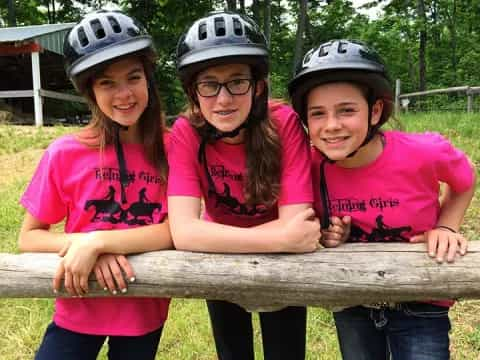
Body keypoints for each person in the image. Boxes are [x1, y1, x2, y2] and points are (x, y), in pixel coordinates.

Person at [288, 39, 476, 360]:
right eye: (318, 114)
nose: (332, 125)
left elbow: (466, 178)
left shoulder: (422, 152)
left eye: (347, 110)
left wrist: (446, 225)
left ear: (375, 110)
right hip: (354, 301)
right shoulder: (310, 164)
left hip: (422, 301)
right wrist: (331, 234)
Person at [168, 11, 323, 360]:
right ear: (194, 92)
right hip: (227, 258)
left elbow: (298, 221)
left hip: (243, 251)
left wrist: (284, 237)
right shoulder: (186, 132)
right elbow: (183, 232)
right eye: (209, 85)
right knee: (232, 350)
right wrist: (280, 238)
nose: (223, 99)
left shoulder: (284, 124)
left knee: (286, 351)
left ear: (259, 86)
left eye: (237, 82)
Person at [18, 10, 172, 360]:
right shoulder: (65, 153)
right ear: (90, 89)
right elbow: (29, 237)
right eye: (106, 83)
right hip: (78, 307)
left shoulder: (173, 148)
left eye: (133, 77)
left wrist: (100, 242)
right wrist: (89, 247)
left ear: (148, 77)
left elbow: (176, 229)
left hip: (142, 311)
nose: (124, 94)